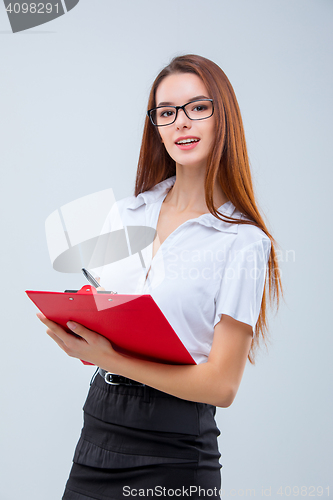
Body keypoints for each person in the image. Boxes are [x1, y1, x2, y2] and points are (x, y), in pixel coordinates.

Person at [37, 54, 282, 499]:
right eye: (166, 112)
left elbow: (222, 386)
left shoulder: (242, 241)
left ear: (222, 116)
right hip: (100, 428)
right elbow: (115, 327)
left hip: (175, 448)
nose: (181, 123)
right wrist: (84, 324)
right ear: (156, 126)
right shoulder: (127, 213)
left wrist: (109, 357)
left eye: (197, 107)